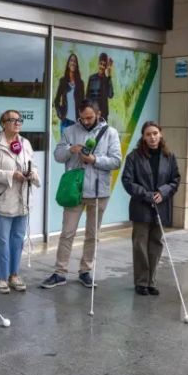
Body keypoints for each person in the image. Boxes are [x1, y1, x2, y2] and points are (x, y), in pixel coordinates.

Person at [40, 100, 122, 290]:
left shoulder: (110, 133)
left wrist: (95, 159)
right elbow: (58, 155)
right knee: (67, 233)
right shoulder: (70, 131)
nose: (85, 121)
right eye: (82, 118)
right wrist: (70, 149)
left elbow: (116, 161)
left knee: (93, 234)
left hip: (98, 191)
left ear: (98, 113)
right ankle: (60, 273)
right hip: (75, 191)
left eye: (90, 118)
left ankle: (85, 271)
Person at [0, 109, 41, 294]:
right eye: (12, 120)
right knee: (2, 241)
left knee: (17, 240)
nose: (17, 123)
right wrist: (11, 175)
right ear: (3, 123)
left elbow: (35, 166)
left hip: (22, 200)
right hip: (2, 201)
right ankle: (1, 277)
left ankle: (14, 274)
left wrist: (32, 175)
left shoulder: (25, 143)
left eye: (20, 120)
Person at [120, 120, 181, 296]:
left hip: (161, 206)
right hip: (141, 206)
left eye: (155, 133)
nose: (152, 137)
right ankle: (141, 281)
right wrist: (147, 195)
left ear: (160, 134)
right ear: (143, 137)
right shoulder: (134, 157)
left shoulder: (169, 156)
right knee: (140, 244)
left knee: (155, 244)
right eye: (148, 134)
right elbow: (127, 181)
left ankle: (151, 281)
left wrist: (163, 192)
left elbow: (175, 180)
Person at [53, 53, 84, 131]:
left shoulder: (80, 83)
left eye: (75, 61)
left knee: (77, 143)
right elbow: (56, 100)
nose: (73, 63)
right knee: (65, 143)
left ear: (77, 65)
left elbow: (83, 102)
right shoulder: (63, 81)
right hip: (66, 121)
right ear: (68, 64)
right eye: (71, 60)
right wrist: (61, 115)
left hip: (77, 122)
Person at [85, 53, 114, 120]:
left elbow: (110, 95)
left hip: (103, 116)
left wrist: (109, 76)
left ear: (106, 66)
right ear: (98, 63)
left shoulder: (107, 80)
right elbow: (87, 97)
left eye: (104, 65)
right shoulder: (92, 78)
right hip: (92, 115)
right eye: (101, 64)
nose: (102, 67)